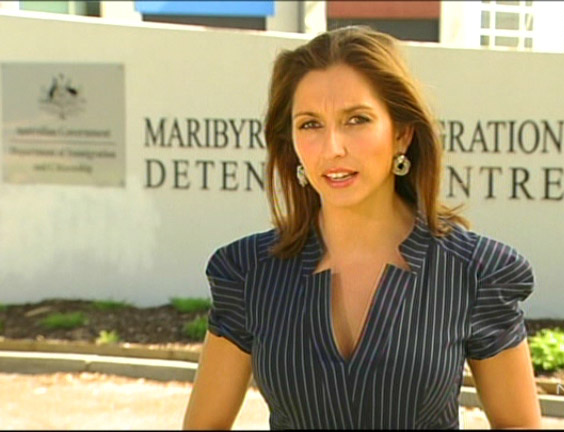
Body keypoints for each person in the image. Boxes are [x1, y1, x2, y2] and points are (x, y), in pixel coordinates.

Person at [183, 26, 541, 430]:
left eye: (357, 120)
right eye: (310, 124)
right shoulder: (247, 271)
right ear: (291, 143)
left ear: (402, 134)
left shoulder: (477, 271)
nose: (332, 147)